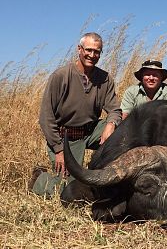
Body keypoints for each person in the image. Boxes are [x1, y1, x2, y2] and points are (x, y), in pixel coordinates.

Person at [29, 32, 122, 197]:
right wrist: (59, 150)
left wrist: (111, 124)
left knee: (122, 133)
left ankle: (108, 175)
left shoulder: (105, 78)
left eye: (97, 52)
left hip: (91, 130)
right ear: (79, 49)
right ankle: (39, 179)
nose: (92, 55)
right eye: (88, 50)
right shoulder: (61, 76)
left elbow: (115, 109)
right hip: (66, 137)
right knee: (68, 190)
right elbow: (46, 117)